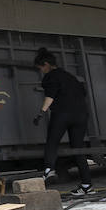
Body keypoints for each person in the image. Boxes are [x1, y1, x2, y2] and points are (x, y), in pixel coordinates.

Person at [32, 48, 93, 197]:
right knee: (78, 149)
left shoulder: (50, 77)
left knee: (52, 142)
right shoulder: (70, 77)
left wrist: (41, 113)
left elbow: (50, 96)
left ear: (46, 64)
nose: (41, 71)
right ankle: (87, 185)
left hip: (63, 115)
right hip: (81, 115)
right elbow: (83, 93)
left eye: (40, 67)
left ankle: (48, 170)